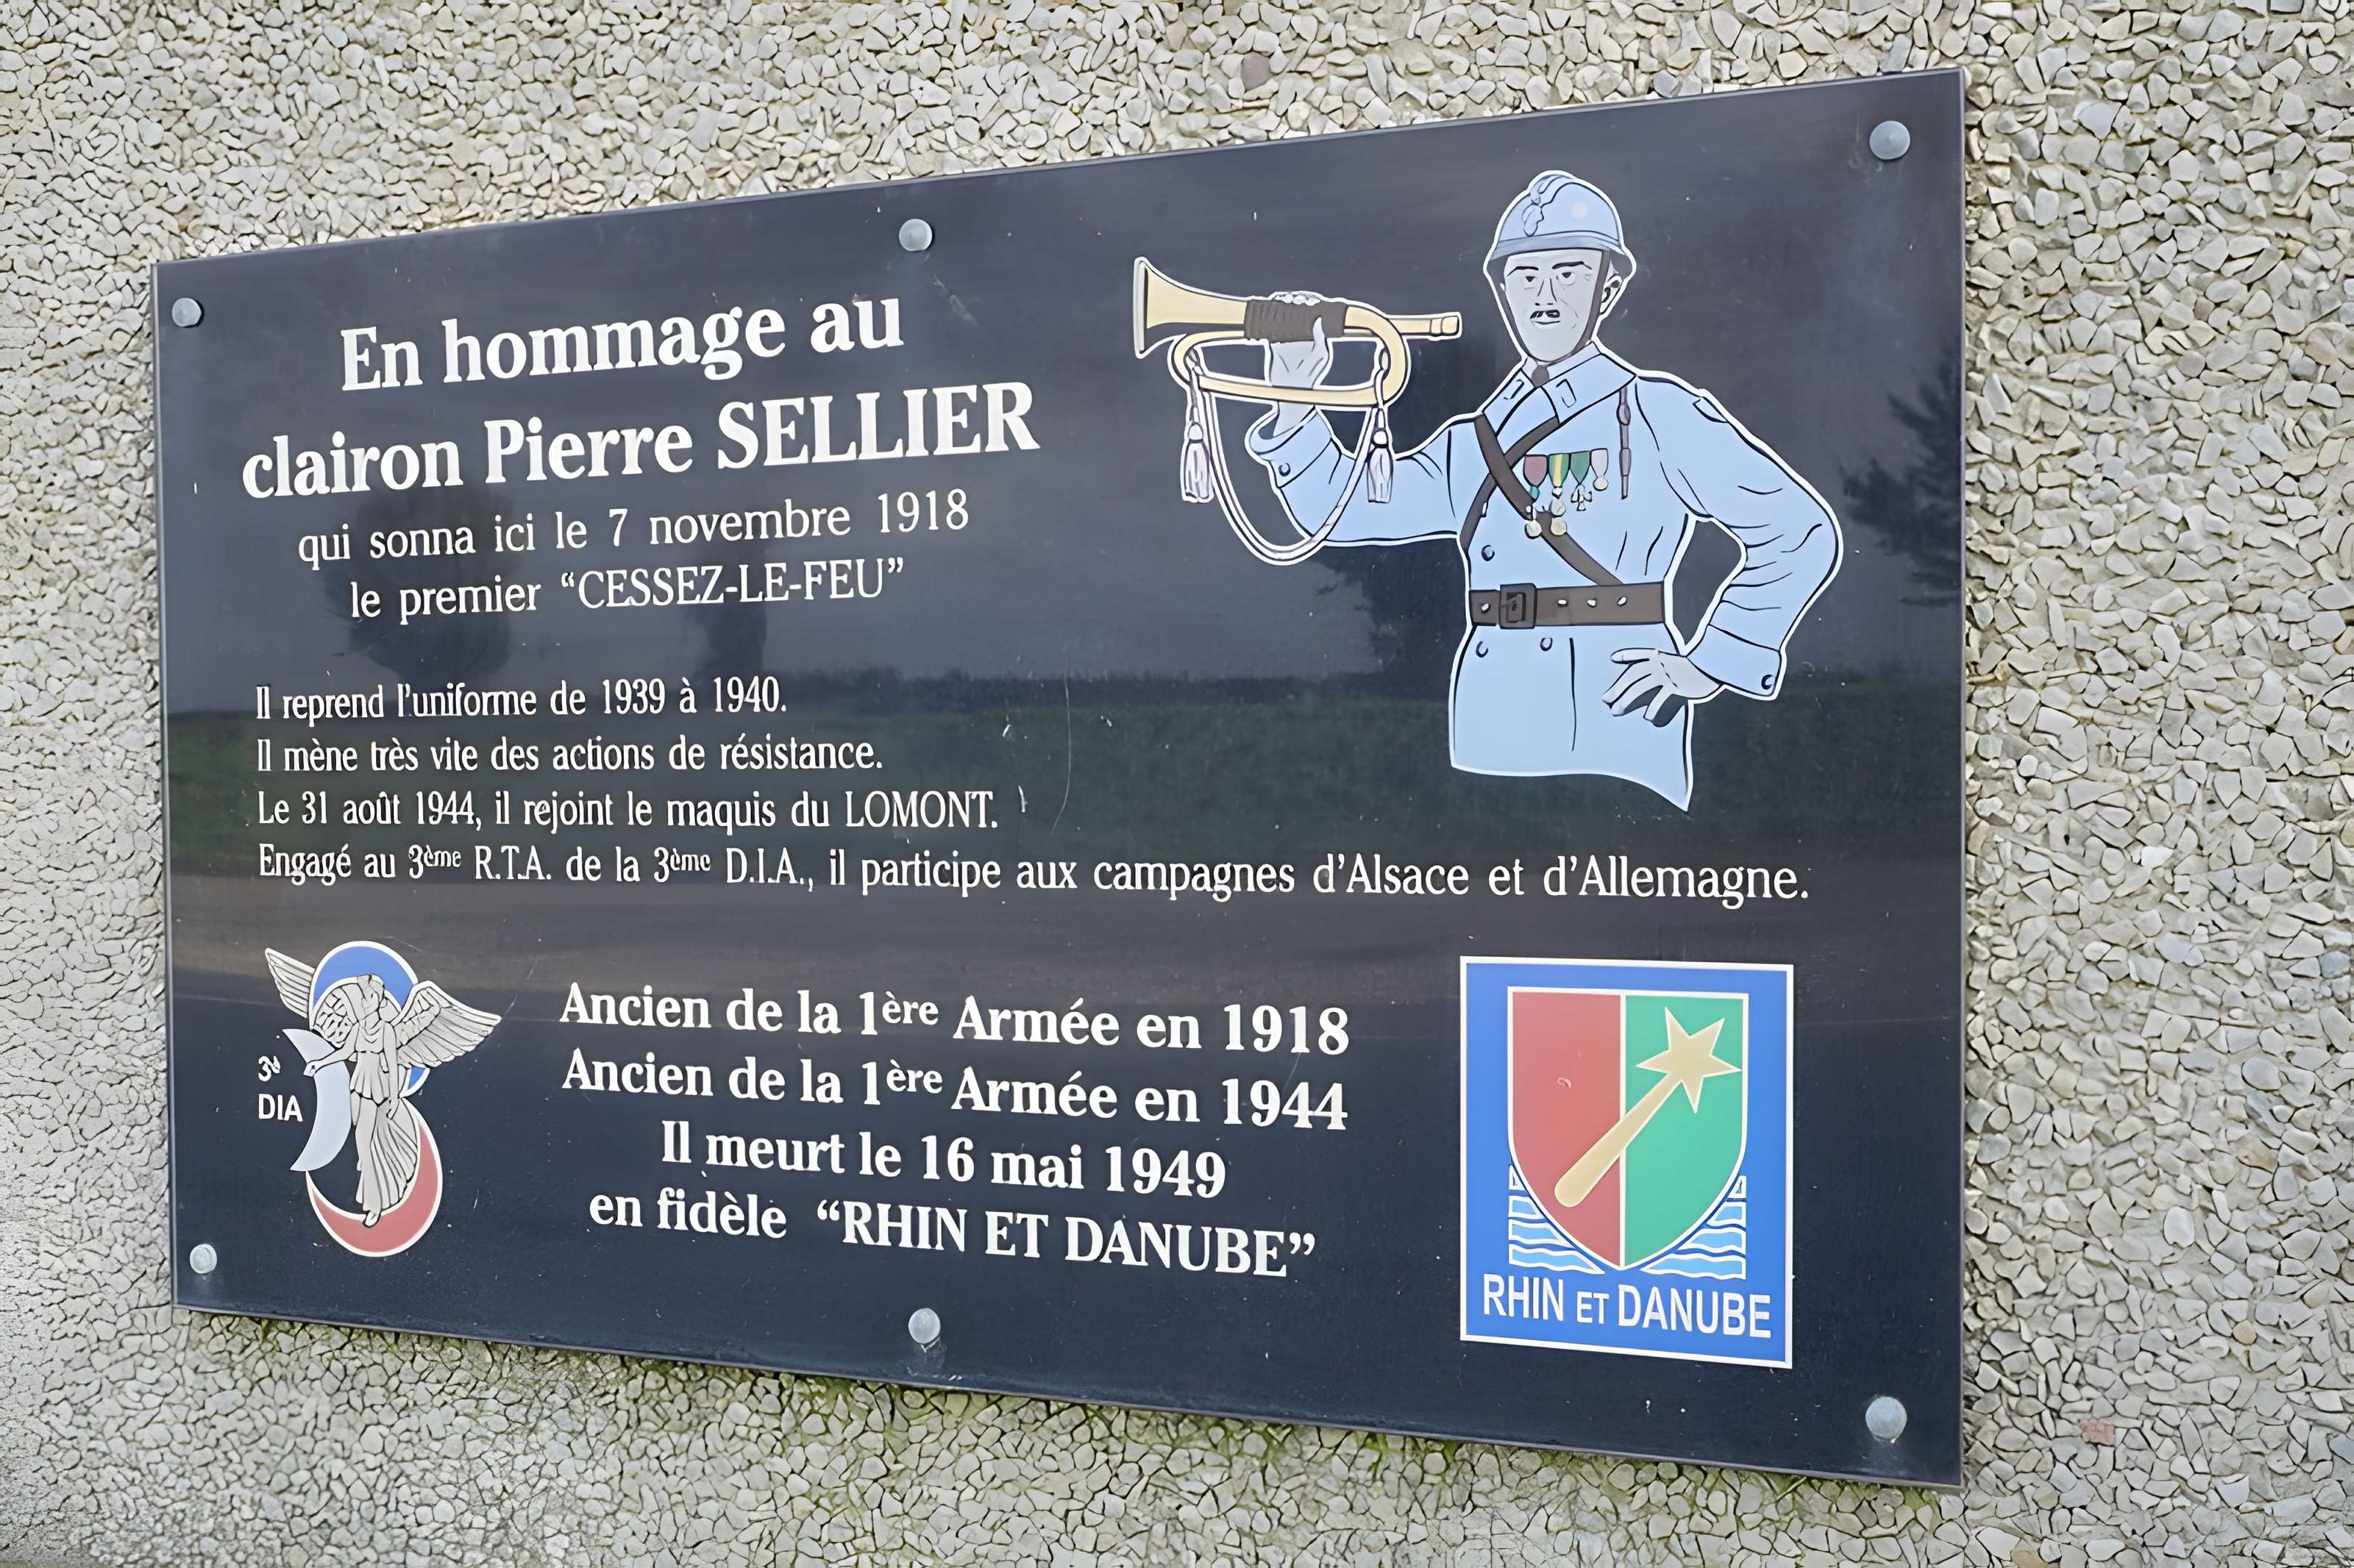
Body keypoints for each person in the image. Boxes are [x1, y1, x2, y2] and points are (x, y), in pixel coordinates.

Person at [1240, 172, 1841, 810]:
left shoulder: (1656, 410)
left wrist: (1714, 660)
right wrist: (1294, 395)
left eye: (1569, 273)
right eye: (1525, 276)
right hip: (1493, 702)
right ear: (1502, 291)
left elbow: (1799, 530)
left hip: (1618, 704)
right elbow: (1341, 511)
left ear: (1608, 288)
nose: (1545, 296)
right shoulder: (1474, 440)